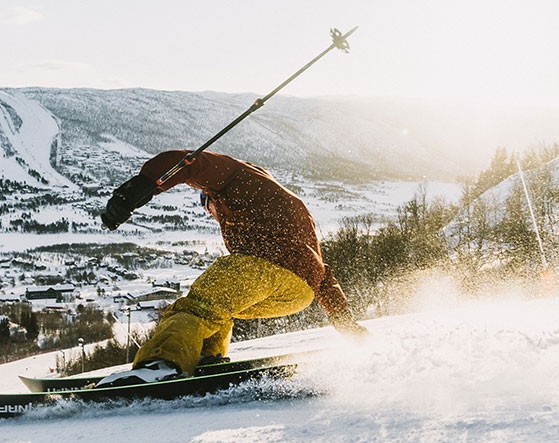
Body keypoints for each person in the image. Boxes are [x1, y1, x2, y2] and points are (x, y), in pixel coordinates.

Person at [98, 149, 368, 384]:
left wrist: (137, 188)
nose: (211, 212)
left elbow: (190, 162)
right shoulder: (294, 209)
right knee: (220, 308)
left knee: (199, 304)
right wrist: (345, 322)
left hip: (266, 268)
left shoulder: (236, 178)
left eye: (208, 206)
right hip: (298, 293)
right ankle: (207, 358)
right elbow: (324, 273)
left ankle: (160, 364)